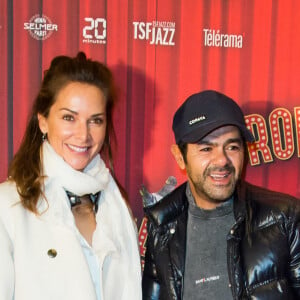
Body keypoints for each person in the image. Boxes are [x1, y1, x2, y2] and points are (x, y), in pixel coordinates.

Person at [0, 52, 142, 300]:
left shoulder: (115, 203)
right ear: (43, 121)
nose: (83, 135)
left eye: (95, 121)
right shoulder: (8, 205)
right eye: (69, 118)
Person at [142, 90, 300, 299]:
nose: (222, 160)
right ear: (180, 157)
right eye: (206, 149)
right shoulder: (161, 224)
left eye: (232, 147)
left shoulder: (285, 217)